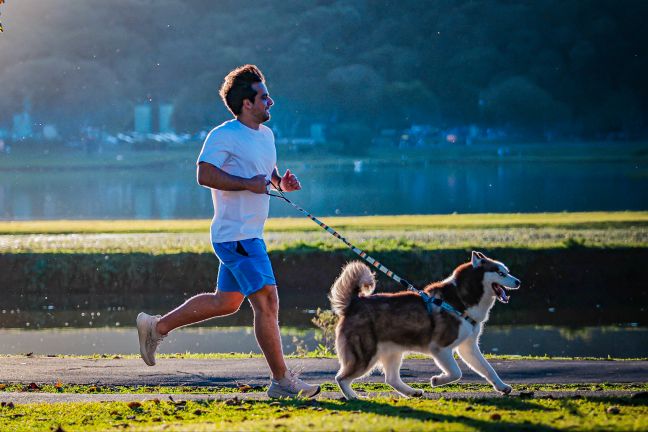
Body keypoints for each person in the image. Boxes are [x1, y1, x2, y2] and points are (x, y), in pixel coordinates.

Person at [136, 64, 320, 398]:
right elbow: (204, 175)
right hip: (236, 236)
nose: (271, 102)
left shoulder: (266, 135)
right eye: (264, 97)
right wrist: (246, 185)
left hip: (249, 234)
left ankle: (156, 326)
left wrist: (280, 182)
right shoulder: (223, 135)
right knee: (267, 301)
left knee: (227, 302)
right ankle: (282, 381)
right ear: (247, 104)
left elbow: (264, 172)